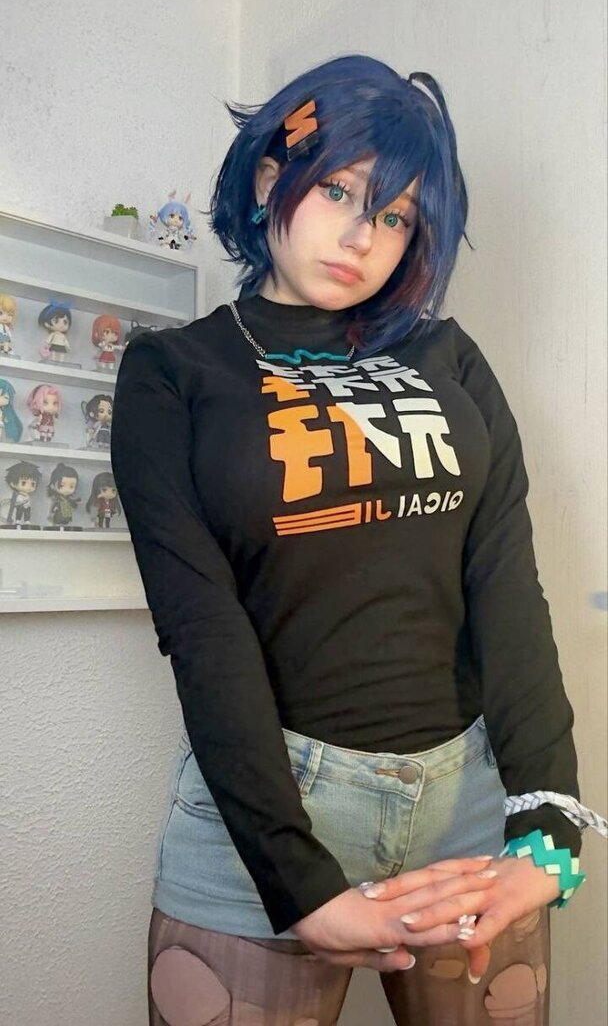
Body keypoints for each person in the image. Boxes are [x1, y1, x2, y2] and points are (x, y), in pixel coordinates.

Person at [110, 54, 606, 1026]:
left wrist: (549, 823)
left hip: (466, 802)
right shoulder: (173, 372)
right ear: (269, 177)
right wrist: (295, 879)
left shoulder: (447, 356)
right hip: (263, 816)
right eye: (336, 189)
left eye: (395, 215)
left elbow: (506, 584)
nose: (361, 235)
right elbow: (203, 628)